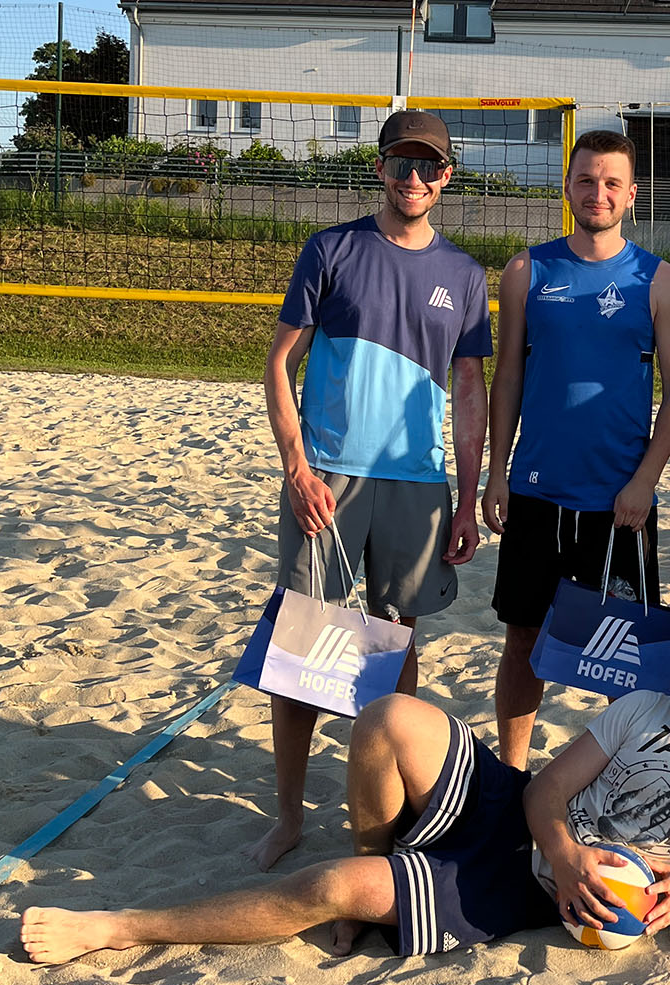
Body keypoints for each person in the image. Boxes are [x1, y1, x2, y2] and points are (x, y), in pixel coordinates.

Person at [19, 606, 670, 965]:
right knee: (389, 713)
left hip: (527, 890)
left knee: (328, 884)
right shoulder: (645, 709)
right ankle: (379, 868)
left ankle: (119, 927)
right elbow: (544, 791)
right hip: (520, 820)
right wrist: (564, 851)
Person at [251, 110, 490, 872]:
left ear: (448, 176)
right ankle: (288, 816)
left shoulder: (464, 274)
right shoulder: (332, 248)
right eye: (400, 164)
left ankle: (391, 812)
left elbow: (472, 391)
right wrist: (296, 466)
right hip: (328, 478)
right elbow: (278, 364)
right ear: (379, 169)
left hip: (417, 485)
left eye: (428, 166)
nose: (413, 178)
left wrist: (466, 496)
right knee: (301, 653)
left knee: (395, 647)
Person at [483, 129, 670, 770]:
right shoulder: (528, 269)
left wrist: (645, 481)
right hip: (537, 488)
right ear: (567, 186)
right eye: (585, 180)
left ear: (632, 194)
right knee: (524, 640)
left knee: (624, 652)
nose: (596, 192)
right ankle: (514, 776)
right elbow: (509, 377)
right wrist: (497, 474)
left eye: (610, 183)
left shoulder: (658, 279)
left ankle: (618, 779)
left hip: (619, 500)